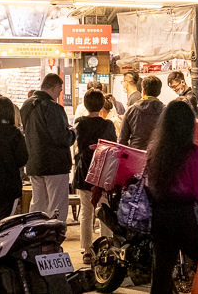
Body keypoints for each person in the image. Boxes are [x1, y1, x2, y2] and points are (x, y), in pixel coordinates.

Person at [146, 100, 198, 294]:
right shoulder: (193, 153)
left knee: (161, 272)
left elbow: (148, 184)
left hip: (160, 217)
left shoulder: (155, 149)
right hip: (184, 217)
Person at [20, 74, 74, 222]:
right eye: (60, 89)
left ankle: (35, 238)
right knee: (56, 208)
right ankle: (53, 241)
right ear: (55, 87)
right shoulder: (53, 107)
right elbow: (61, 137)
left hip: (34, 163)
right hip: (55, 165)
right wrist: (72, 133)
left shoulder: (26, 105)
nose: (59, 93)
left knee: (38, 205)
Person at [73, 90, 117, 264]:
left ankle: (87, 250)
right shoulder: (108, 126)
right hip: (103, 172)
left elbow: (78, 145)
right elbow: (114, 147)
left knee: (86, 212)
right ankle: (106, 247)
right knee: (105, 210)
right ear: (101, 105)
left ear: (85, 104)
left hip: (85, 171)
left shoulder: (80, 123)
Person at [119, 75, 164, 149]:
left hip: (136, 155)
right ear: (159, 92)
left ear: (143, 90)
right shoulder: (165, 110)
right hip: (157, 155)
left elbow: (122, 140)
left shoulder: (131, 110)